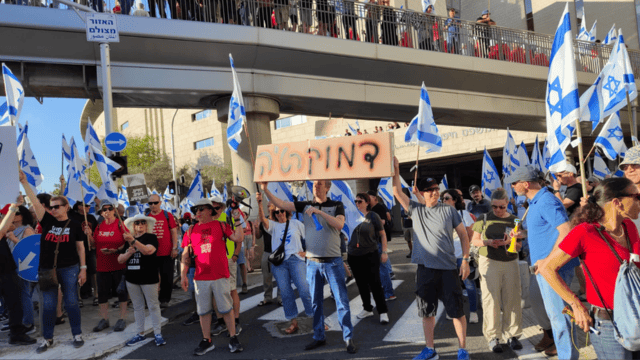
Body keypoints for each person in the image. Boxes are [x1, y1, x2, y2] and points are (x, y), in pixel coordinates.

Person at [540, 177, 640, 360]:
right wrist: (576, 304)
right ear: (617, 202)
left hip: (637, 315)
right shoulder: (585, 232)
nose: (639, 201)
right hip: (609, 324)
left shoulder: (630, 227)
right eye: (636, 196)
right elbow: (548, 269)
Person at [261, 180, 357, 354]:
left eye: (320, 184)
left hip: (332, 261)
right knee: (315, 302)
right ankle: (319, 336)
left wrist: (319, 212)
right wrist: (265, 189)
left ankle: (348, 337)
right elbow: (281, 204)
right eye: (315, 184)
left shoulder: (336, 205)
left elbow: (340, 224)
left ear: (327, 188)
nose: (316, 186)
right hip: (313, 262)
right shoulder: (305, 205)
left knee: (341, 301)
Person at [391, 157, 471, 360]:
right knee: (427, 311)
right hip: (425, 269)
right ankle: (430, 349)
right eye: (430, 190)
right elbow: (396, 192)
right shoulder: (415, 211)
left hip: (447, 269)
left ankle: (462, 349)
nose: (435, 192)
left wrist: (465, 260)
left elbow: (463, 235)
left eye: (436, 189)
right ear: (422, 194)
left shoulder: (449, 210)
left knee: (456, 311)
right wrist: (395, 169)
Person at [505, 165, 579, 360]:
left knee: (560, 317)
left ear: (525, 184)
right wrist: (523, 234)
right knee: (555, 316)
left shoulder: (546, 201)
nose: (512, 186)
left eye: (514, 183)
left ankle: (568, 357)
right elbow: (547, 230)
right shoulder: (536, 201)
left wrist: (548, 261)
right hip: (546, 269)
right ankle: (565, 353)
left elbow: (566, 232)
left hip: (554, 269)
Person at [20, 171, 87, 353]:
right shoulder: (47, 220)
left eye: (57, 206)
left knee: (72, 301)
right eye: (52, 207)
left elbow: (81, 248)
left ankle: (77, 334)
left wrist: (83, 269)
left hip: (70, 268)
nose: (54, 209)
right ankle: (47, 338)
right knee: (48, 305)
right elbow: (34, 201)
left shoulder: (74, 225)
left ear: (66, 207)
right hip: (47, 269)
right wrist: (25, 182)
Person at [180, 198, 244, 355]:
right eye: (196, 210)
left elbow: (238, 239)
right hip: (200, 277)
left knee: (226, 308)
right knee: (203, 311)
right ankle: (206, 340)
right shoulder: (190, 231)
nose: (198, 213)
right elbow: (185, 255)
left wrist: (237, 219)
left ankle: (233, 337)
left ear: (210, 210)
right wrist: (183, 274)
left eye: (201, 209)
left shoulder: (221, 225)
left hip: (220, 275)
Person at [471, 189, 523, 352]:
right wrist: (488, 242)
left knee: (512, 299)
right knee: (490, 300)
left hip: (510, 261)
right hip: (489, 261)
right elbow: (474, 240)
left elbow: (519, 246)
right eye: (494, 207)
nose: (498, 210)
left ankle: (513, 335)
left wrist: (512, 240)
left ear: (507, 203)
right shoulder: (483, 218)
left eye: (501, 207)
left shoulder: (515, 220)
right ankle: (493, 337)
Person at [256, 192, 313, 334]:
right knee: (286, 293)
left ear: (287, 212)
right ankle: (293, 322)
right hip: (280, 263)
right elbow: (263, 219)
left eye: (282, 211)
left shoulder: (296, 224)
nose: (280, 214)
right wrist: (260, 203)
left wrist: (308, 253)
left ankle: (316, 319)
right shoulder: (273, 226)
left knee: (304, 289)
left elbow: (310, 237)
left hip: (296, 260)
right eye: (277, 212)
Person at [119, 214, 166, 347]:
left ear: (147, 225)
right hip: (132, 279)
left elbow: (148, 251)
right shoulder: (128, 240)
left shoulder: (151, 237)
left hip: (149, 278)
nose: (140, 224)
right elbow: (120, 259)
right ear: (132, 226)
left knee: (153, 306)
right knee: (137, 307)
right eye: (137, 223)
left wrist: (133, 242)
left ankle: (158, 333)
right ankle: (140, 333)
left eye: (143, 222)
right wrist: (129, 252)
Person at [348, 193, 389, 324]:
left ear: (367, 203)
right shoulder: (351, 216)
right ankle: (367, 308)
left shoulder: (373, 216)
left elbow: (383, 235)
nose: (357, 204)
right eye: (356, 201)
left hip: (370, 253)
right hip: (354, 255)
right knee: (361, 284)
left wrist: (384, 251)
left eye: (360, 201)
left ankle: (383, 312)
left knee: (375, 283)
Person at [89, 200, 129, 333]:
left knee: (122, 293)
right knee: (102, 295)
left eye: (109, 209)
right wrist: (89, 235)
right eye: (103, 210)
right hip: (102, 266)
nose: (107, 211)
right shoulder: (99, 226)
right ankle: (104, 319)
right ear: (101, 213)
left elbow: (128, 243)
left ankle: (122, 319)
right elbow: (94, 245)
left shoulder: (120, 224)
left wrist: (116, 250)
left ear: (114, 210)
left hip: (118, 264)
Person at [0, 203, 37, 346]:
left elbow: (10, 227)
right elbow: (3, 230)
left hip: (8, 270)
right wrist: (12, 208)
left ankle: (17, 334)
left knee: (15, 303)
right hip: (4, 272)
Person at [440, 190, 478, 324]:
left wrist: (467, 255)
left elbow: (471, 234)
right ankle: (453, 310)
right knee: (449, 285)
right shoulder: (440, 215)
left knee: (468, 284)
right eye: (442, 199)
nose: (443, 201)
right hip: (447, 257)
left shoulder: (464, 214)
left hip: (461, 256)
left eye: (446, 198)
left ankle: (473, 312)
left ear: (454, 200)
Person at [147, 194, 179, 309]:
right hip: (151, 253)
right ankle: (152, 299)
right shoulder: (146, 216)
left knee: (167, 276)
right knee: (151, 277)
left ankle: (165, 299)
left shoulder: (167, 215)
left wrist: (174, 247)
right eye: (150, 203)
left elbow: (174, 232)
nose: (153, 205)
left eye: (155, 202)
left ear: (160, 203)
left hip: (166, 252)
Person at [367, 190, 395, 300]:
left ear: (374, 198)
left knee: (382, 268)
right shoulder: (372, 209)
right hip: (374, 241)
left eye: (368, 198)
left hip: (378, 239)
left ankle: (389, 292)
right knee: (379, 267)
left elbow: (383, 221)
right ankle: (382, 289)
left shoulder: (378, 208)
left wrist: (368, 223)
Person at [68, 202, 98, 304]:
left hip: (90, 249)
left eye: (89, 205)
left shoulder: (91, 218)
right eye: (86, 205)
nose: (89, 207)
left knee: (94, 271)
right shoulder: (72, 217)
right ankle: (78, 297)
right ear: (79, 207)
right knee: (77, 272)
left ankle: (97, 295)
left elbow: (95, 235)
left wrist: (89, 234)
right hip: (76, 249)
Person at [254, 202, 280, 306]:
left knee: (280, 277)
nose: (270, 206)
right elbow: (258, 236)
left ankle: (281, 298)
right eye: (268, 205)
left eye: (272, 205)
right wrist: (256, 228)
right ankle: (267, 297)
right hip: (267, 252)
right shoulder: (264, 220)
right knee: (266, 277)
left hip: (278, 252)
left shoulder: (280, 219)